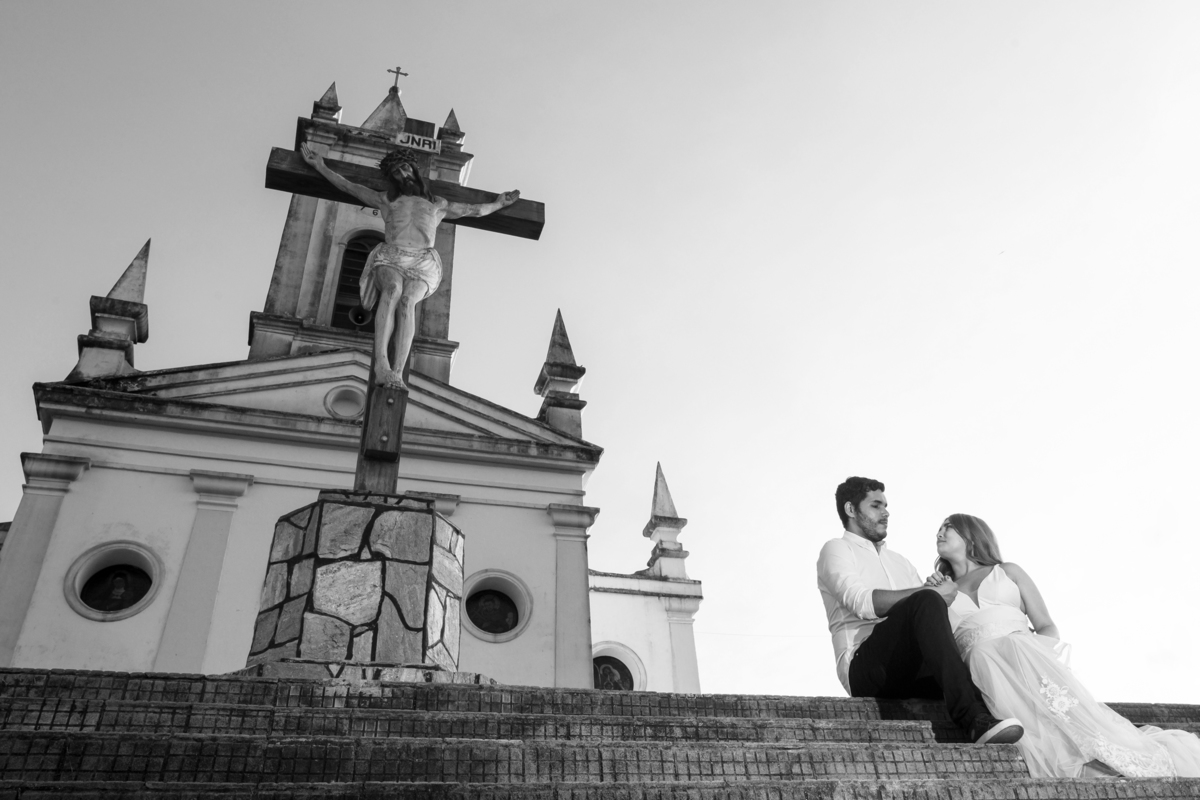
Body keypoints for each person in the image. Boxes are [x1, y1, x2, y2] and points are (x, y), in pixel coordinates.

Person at [927, 513, 1200, 777]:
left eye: (948, 526)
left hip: (1026, 657)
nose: (939, 532)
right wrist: (932, 594)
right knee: (1034, 733)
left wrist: (1033, 658)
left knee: (1073, 723)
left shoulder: (1007, 571)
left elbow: (1046, 625)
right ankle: (1084, 771)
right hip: (983, 670)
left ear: (971, 535)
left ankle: (1112, 763)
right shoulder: (941, 591)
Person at [817, 477, 1024, 744]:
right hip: (864, 669)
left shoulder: (901, 563)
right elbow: (861, 603)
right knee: (927, 600)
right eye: (876, 506)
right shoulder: (836, 549)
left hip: (910, 671)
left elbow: (930, 623)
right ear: (851, 510)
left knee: (976, 660)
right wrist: (930, 594)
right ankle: (973, 720)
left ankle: (1016, 718)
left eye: (886, 506)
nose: (886, 512)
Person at [300, 142, 520, 388]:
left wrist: (499, 204)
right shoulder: (386, 200)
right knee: (392, 290)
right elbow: (349, 187)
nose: (402, 175)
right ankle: (381, 364)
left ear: (414, 169)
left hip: (423, 261)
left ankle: (397, 371)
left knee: (407, 302)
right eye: (396, 173)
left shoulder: (438, 204)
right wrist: (320, 167)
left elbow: (474, 210)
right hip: (392, 255)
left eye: (404, 168)